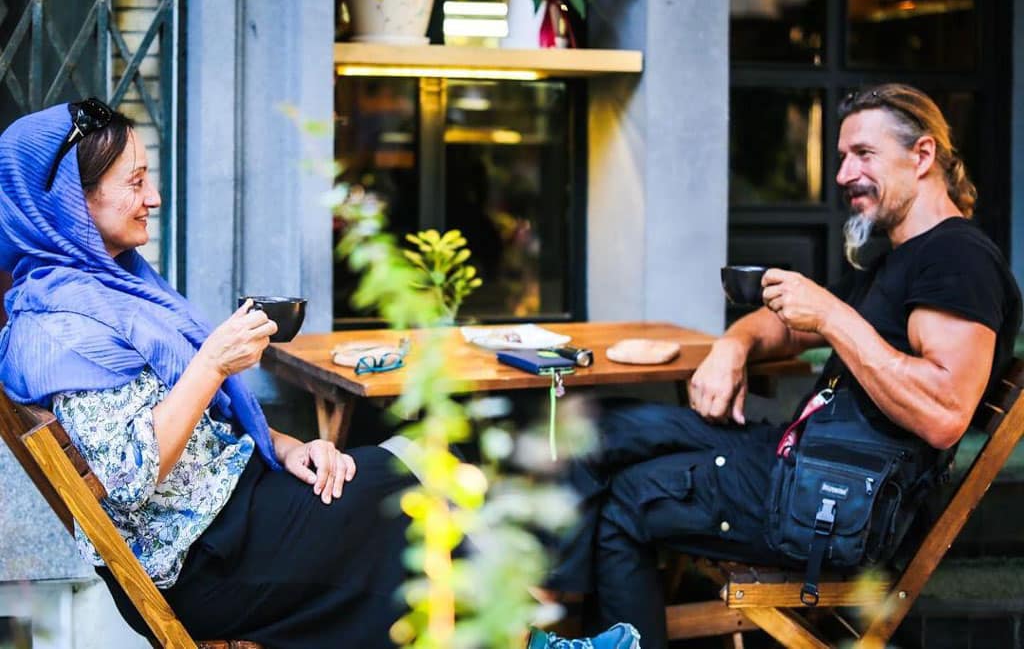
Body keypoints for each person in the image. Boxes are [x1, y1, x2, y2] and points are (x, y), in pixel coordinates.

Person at [0, 100, 639, 649]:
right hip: (205, 563)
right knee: (401, 506)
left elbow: (197, 438)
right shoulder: (58, 326)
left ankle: (530, 638)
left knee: (394, 472)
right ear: (71, 201)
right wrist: (212, 362)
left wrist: (292, 446)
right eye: (135, 182)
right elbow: (129, 478)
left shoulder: (111, 288)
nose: (155, 197)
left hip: (233, 515)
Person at [545, 84, 1023, 648]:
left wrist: (830, 314)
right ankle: (554, 609)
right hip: (801, 460)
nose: (844, 174)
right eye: (843, 157)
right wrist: (735, 345)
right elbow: (790, 324)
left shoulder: (957, 259)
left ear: (921, 156)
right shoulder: (903, 256)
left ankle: (554, 619)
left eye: (862, 154)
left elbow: (944, 412)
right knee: (595, 422)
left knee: (632, 495)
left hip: (833, 500)